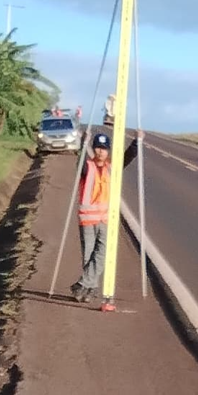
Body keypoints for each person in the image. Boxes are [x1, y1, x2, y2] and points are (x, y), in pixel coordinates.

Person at [71, 130, 139, 304]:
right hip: (88, 219)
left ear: (108, 151)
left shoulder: (111, 168)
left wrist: (136, 142)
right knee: (88, 256)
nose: (101, 151)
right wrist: (82, 143)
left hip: (106, 219)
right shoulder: (87, 167)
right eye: (98, 148)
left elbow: (127, 158)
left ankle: (82, 284)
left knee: (102, 254)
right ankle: (90, 289)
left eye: (104, 148)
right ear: (94, 149)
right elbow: (80, 160)